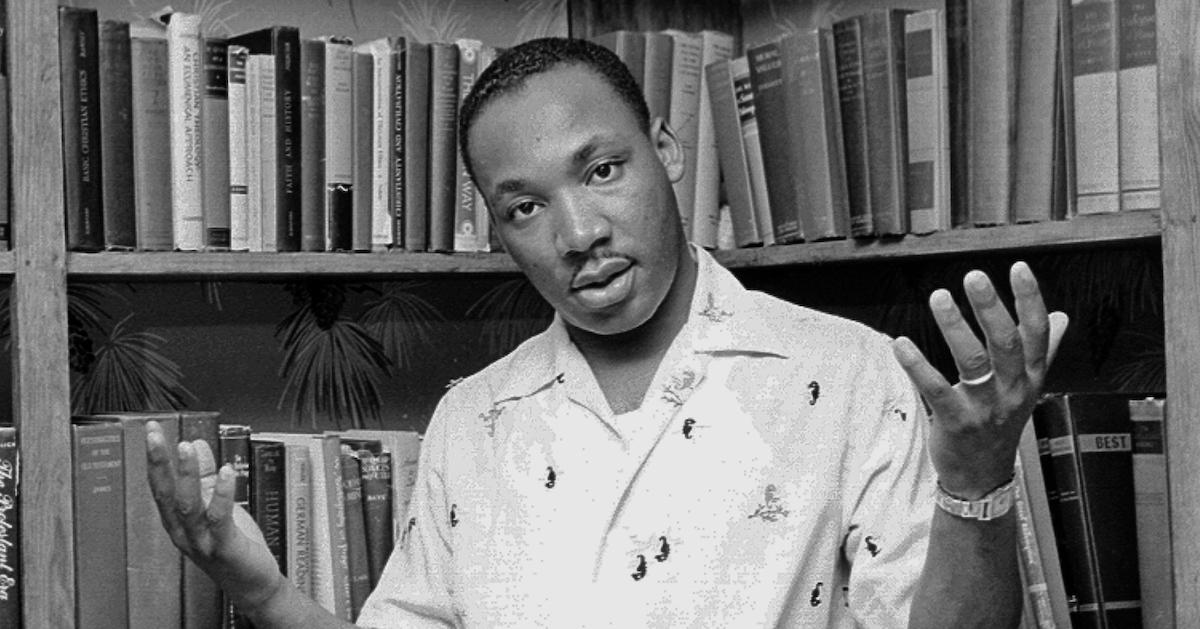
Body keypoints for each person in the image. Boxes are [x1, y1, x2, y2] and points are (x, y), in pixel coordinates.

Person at [146, 37, 1068, 628]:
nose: (577, 233)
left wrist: (978, 483)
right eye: (525, 206)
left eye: (602, 169)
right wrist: (259, 589)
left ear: (666, 153)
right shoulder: (475, 420)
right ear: (496, 228)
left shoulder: (849, 372)